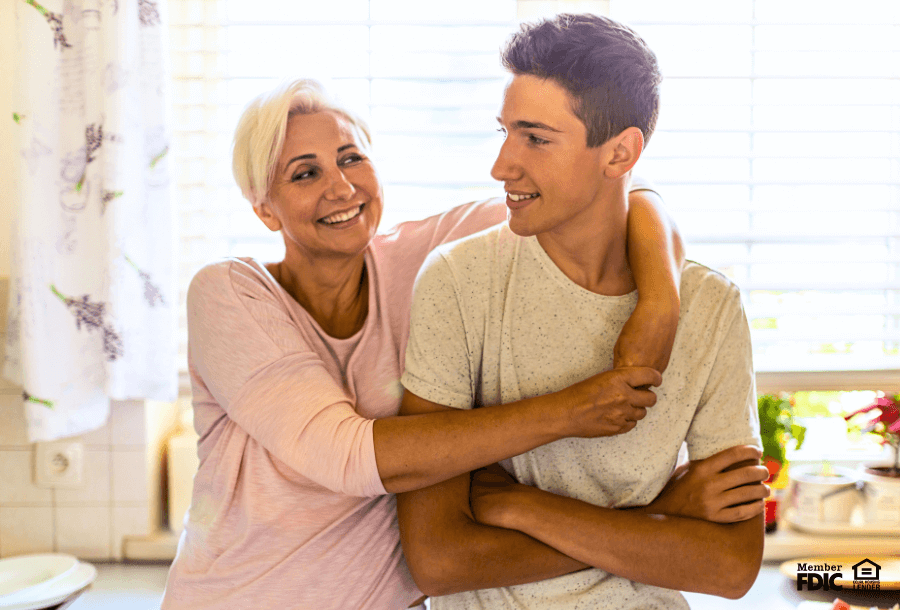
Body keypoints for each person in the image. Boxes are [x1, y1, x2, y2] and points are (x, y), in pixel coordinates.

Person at [160, 75, 694, 610]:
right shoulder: (230, 292)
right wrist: (577, 424)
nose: (341, 188)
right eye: (305, 173)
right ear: (265, 209)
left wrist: (660, 304)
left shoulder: (427, 260)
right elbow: (344, 456)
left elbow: (606, 192)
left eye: (351, 158)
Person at [397, 13, 767, 610]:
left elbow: (729, 566)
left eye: (536, 139)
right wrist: (658, 518)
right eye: (505, 132)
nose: (502, 166)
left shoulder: (710, 306)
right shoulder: (459, 281)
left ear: (620, 152)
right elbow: (439, 561)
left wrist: (522, 506)